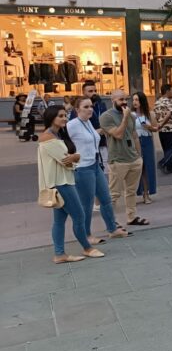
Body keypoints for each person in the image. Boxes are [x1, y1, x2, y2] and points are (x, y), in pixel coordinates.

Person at [38, 105, 105, 263]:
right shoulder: (48, 137)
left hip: (61, 181)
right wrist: (76, 157)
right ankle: (87, 248)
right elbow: (66, 161)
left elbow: (70, 158)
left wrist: (75, 156)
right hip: (61, 182)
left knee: (59, 220)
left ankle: (60, 254)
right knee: (79, 215)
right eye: (60, 116)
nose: (64, 118)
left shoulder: (57, 134)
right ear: (51, 118)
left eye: (65, 115)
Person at [67, 97, 131, 242]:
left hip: (95, 165)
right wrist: (69, 156)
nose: (90, 109)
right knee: (86, 205)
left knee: (106, 199)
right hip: (82, 169)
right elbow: (59, 140)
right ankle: (86, 235)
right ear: (77, 110)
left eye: (91, 106)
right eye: (86, 107)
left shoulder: (88, 122)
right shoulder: (72, 125)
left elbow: (93, 137)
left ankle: (112, 229)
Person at [100, 90, 148, 227]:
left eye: (126, 99)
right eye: (121, 99)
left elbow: (134, 135)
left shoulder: (131, 116)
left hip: (134, 159)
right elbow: (118, 134)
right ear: (112, 100)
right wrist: (125, 117)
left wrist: (139, 156)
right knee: (114, 194)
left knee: (131, 191)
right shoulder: (106, 116)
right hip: (118, 160)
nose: (124, 102)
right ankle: (111, 222)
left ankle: (131, 217)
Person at [70, 80, 108, 160]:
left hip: (102, 143)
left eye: (95, 91)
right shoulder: (79, 109)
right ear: (83, 92)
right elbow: (75, 130)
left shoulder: (101, 105)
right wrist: (95, 132)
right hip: (86, 146)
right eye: (90, 91)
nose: (94, 93)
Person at [132, 92, 158, 204]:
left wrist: (149, 127)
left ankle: (146, 193)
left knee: (147, 168)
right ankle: (134, 194)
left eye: (137, 100)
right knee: (137, 168)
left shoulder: (149, 114)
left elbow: (156, 128)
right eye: (133, 100)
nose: (135, 102)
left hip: (147, 140)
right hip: (135, 141)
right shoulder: (131, 114)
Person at [154, 84, 172, 174]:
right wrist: (162, 123)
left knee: (166, 149)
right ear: (167, 91)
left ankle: (169, 167)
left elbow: (156, 116)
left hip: (161, 130)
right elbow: (169, 114)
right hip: (170, 129)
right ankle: (162, 162)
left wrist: (159, 125)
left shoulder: (157, 102)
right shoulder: (169, 102)